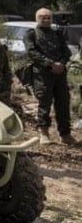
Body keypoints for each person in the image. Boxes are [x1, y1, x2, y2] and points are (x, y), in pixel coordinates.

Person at [25, 8, 74, 145]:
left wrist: (61, 64)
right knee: (44, 104)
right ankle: (44, 133)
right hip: (43, 75)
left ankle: (65, 133)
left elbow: (67, 51)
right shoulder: (31, 34)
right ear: (37, 18)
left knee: (63, 103)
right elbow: (32, 52)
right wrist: (50, 64)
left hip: (60, 74)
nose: (46, 20)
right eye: (42, 17)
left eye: (48, 17)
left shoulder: (58, 33)